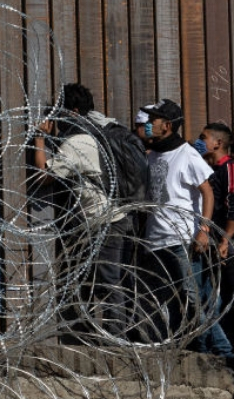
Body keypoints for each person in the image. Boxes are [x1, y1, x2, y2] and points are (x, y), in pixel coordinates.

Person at [31, 83, 134, 340]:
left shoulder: (77, 142)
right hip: (111, 217)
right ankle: (96, 332)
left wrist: (39, 138)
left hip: (105, 220)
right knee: (94, 278)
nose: (55, 117)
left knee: (107, 280)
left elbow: (44, 175)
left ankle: (115, 336)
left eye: (59, 110)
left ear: (73, 111)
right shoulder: (97, 132)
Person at [138, 99, 222, 348]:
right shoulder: (153, 155)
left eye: (155, 120)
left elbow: (208, 192)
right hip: (156, 240)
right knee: (171, 302)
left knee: (192, 300)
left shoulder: (187, 154)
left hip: (181, 239)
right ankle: (186, 351)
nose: (150, 124)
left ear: (168, 125)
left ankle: (218, 353)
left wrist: (204, 230)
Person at [202, 123, 234, 355]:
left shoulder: (229, 168)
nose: (201, 142)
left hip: (232, 247)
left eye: (204, 138)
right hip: (218, 245)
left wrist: (225, 241)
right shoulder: (211, 170)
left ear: (217, 143)